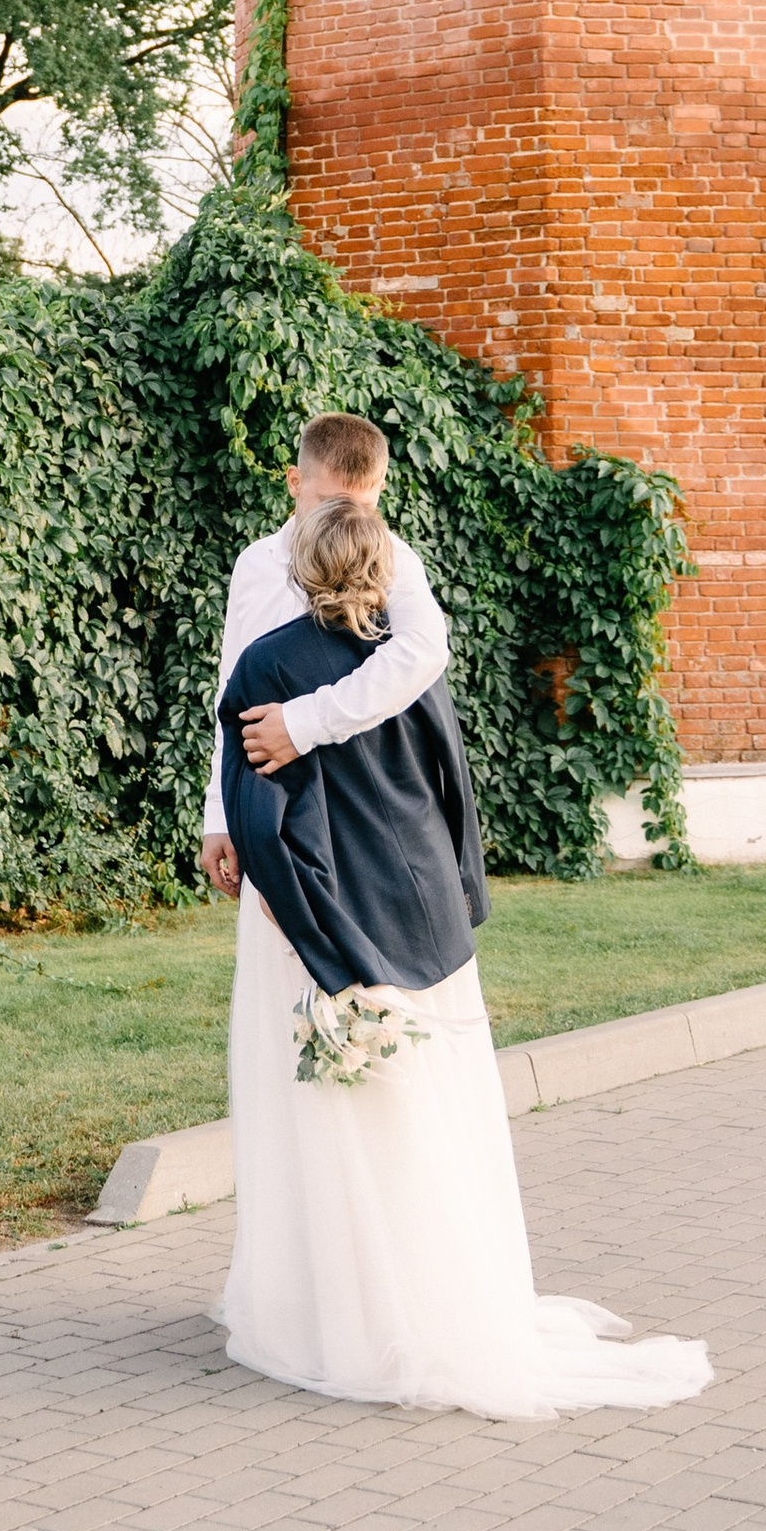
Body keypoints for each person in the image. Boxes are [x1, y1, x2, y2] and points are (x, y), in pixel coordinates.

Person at [206, 421, 713, 1421]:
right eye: (329, 492)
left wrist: (305, 723)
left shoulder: (397, 569)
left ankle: (403, 1296)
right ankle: (312, 1290)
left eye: (363, 492)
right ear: (297, 482)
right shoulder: (256, 572)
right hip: (291, 848)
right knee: (297, 1073)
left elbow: (417, 664)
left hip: (351, 866)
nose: (347, 508)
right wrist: (222, 819)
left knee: (383, 1073)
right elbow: (225, 705)